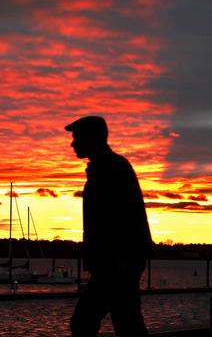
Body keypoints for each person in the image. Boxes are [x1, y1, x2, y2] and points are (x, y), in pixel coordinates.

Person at [65, 115, 152, 336]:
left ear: (93, 138)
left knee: (84, 323)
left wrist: (111, 261)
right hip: (118, 263)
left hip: (116, 264)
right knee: (127, 324)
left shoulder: (109, 169)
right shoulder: (107, 167)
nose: (73, 144)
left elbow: (119, 220)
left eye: (77, 138)